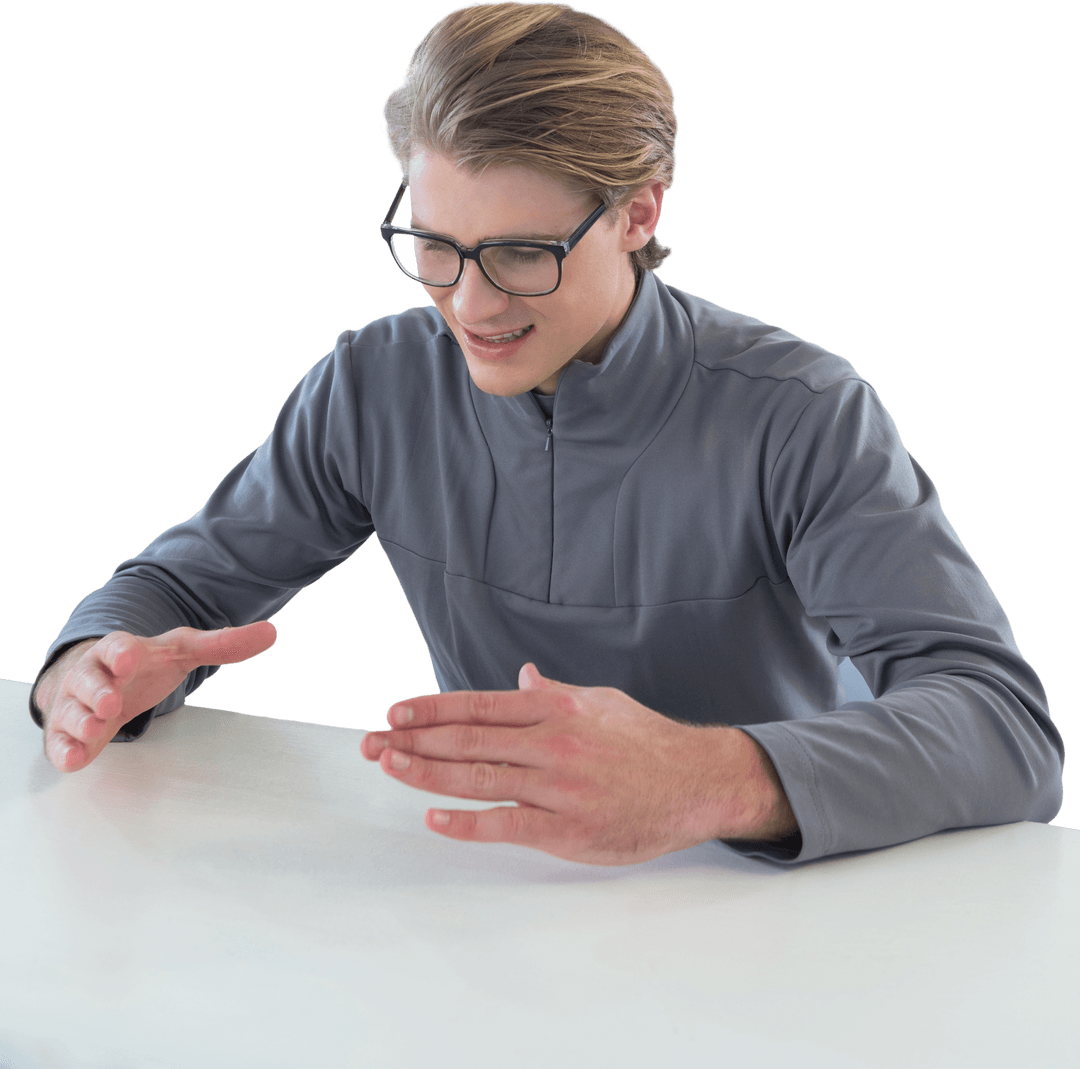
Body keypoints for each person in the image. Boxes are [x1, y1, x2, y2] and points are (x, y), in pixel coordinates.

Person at [29, 1, 1064, 866]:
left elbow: (1005, 730)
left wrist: (709, 781)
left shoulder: (800, 409)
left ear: (637, 213)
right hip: (491, 908)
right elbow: (178, 589)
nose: (469, 304)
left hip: (781, 912)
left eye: (522, 253)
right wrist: (89, 668)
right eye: (434, 246)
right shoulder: (374, 380)